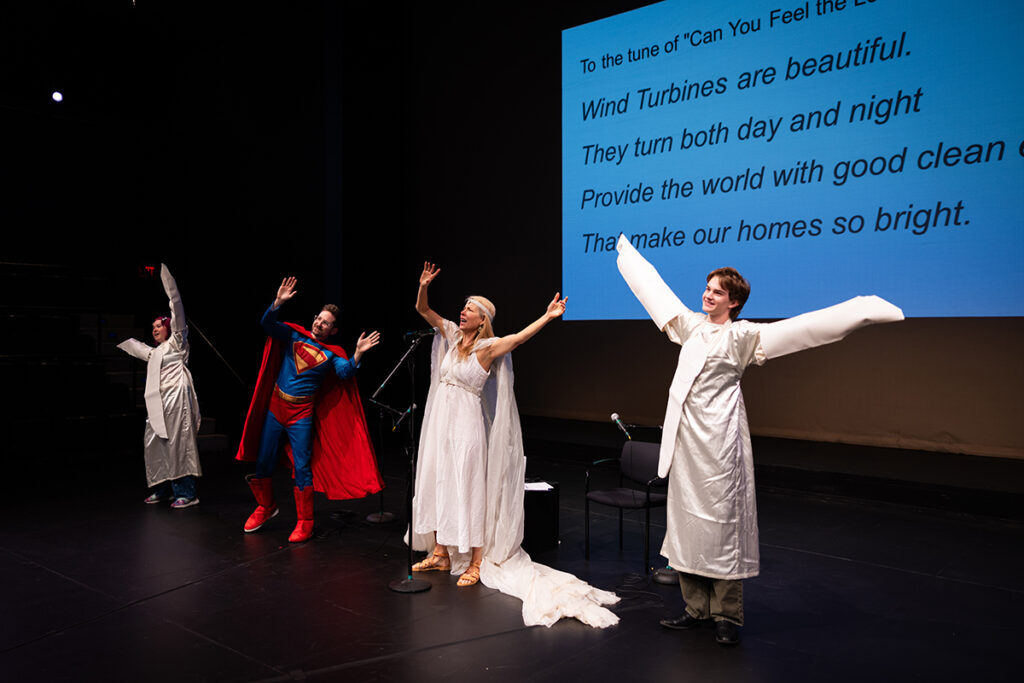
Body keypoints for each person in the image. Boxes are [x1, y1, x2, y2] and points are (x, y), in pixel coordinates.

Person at [615, 234, 903, 646]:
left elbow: (803, 328)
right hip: (687, 442)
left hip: (721, 443)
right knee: (688, 525)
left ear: (734, 302)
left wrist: (861, 311)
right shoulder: (691, 328)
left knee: (723, 528)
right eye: (707, 288)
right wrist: (628, 257)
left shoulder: (742, 336)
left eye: (717, 291)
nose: (708, 295)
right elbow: (656, 294)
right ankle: (695, 609)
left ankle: (725, 616)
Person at [410, 262, 619, 628]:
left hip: (467, 428)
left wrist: (548, 316)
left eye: (470, 309)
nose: (463, 312)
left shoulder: (488, 348)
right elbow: (422, 309)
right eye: (463, 307)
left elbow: (520, 338)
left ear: (483, 320)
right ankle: (441, 551)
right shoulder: (451, 336)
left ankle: (476, 561)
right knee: (441, 481)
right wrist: (423, 285)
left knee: (469, 488)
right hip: (442, 423)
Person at [235, 276, 383, 543]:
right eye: (318, 318)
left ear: (333, 330)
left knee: (302, 467)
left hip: (301, 415)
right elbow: (267, 325)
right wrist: (277, 303)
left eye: (326, 322)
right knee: (264, 460)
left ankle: (305, 521)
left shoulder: (332, 354)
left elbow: (345, 373)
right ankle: (266, 507)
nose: (319, 323)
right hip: (276, 407)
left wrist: (357, 354)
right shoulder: (294, 334)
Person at [117, 263, 202, 509]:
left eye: (159, 326)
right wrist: (122, 342)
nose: (155, 329)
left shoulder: (177, 343)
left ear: (169, 327)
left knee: (178, 445)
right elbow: (137, 348)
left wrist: (169, 285)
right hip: (157, 404)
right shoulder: (154, 353)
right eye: (152, 327)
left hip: (177, 401)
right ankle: (162, 489)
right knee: (154, 444)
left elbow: (177, 308)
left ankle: (186, 492)